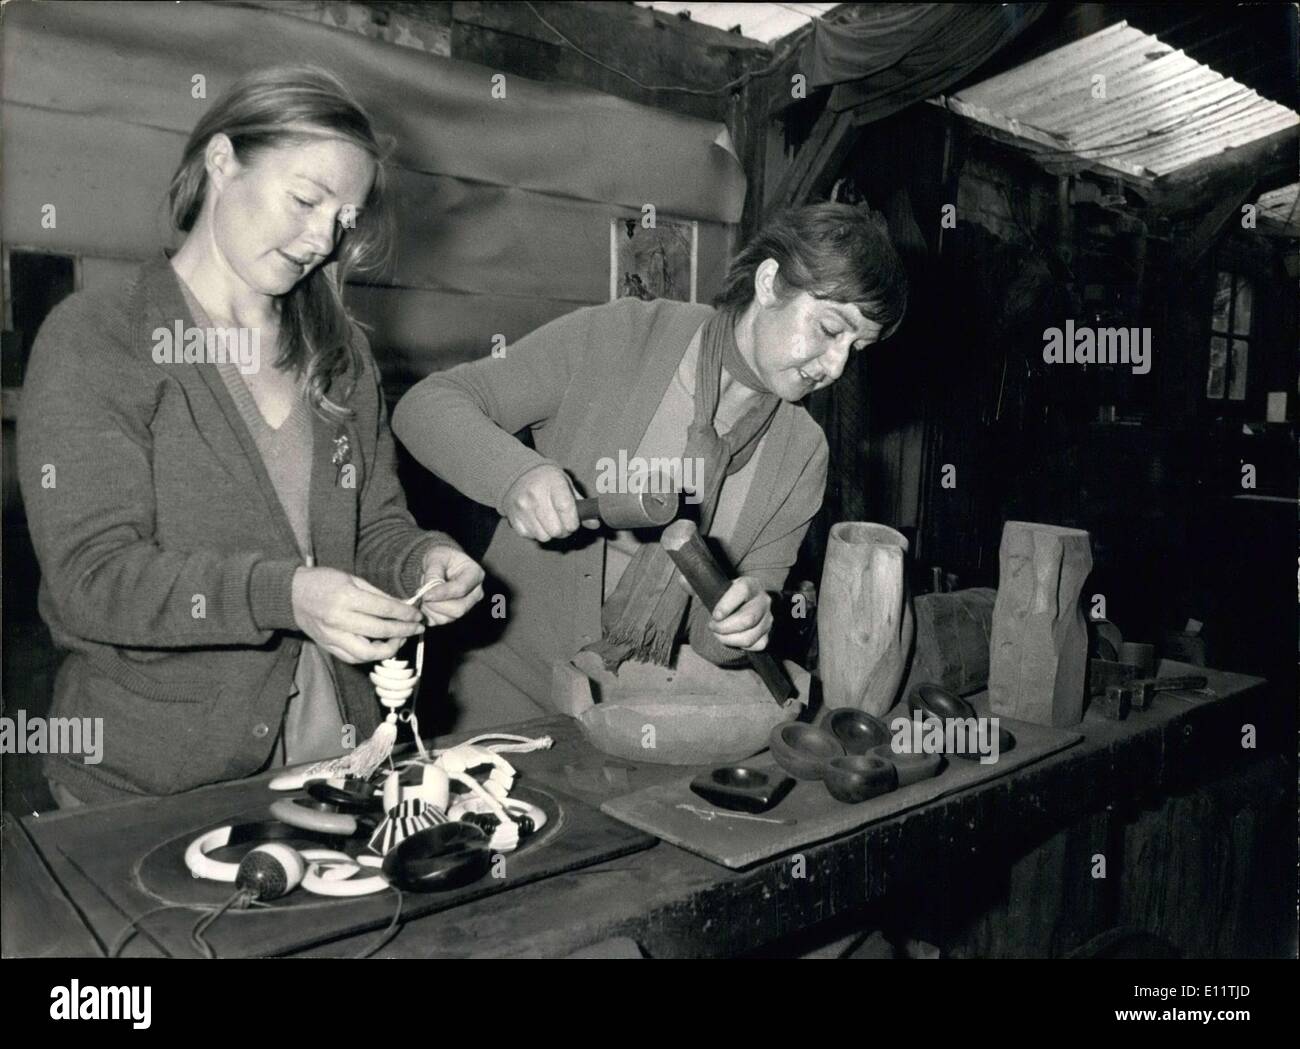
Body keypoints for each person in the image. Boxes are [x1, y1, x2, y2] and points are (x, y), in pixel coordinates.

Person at [17, 66, 484, 806]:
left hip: (337, 764)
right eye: (305, 199)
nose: (321, 237)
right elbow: (93, 580)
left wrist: (423, 560)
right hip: (149, 786)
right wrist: (286, 595)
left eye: (344, 218)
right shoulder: (100, 337)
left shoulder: (339, 355)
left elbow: (373, 528)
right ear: (222, 161)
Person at [393, 203, 907, 731]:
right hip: (509, 699)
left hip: (645, 719)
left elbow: (718, 639)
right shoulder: (623, 337)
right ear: (771, 283)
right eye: (828, 329)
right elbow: (427, 406)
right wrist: (514, 476)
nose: (836, 366)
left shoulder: (802, 453)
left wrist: (745, 621)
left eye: (857, 348)